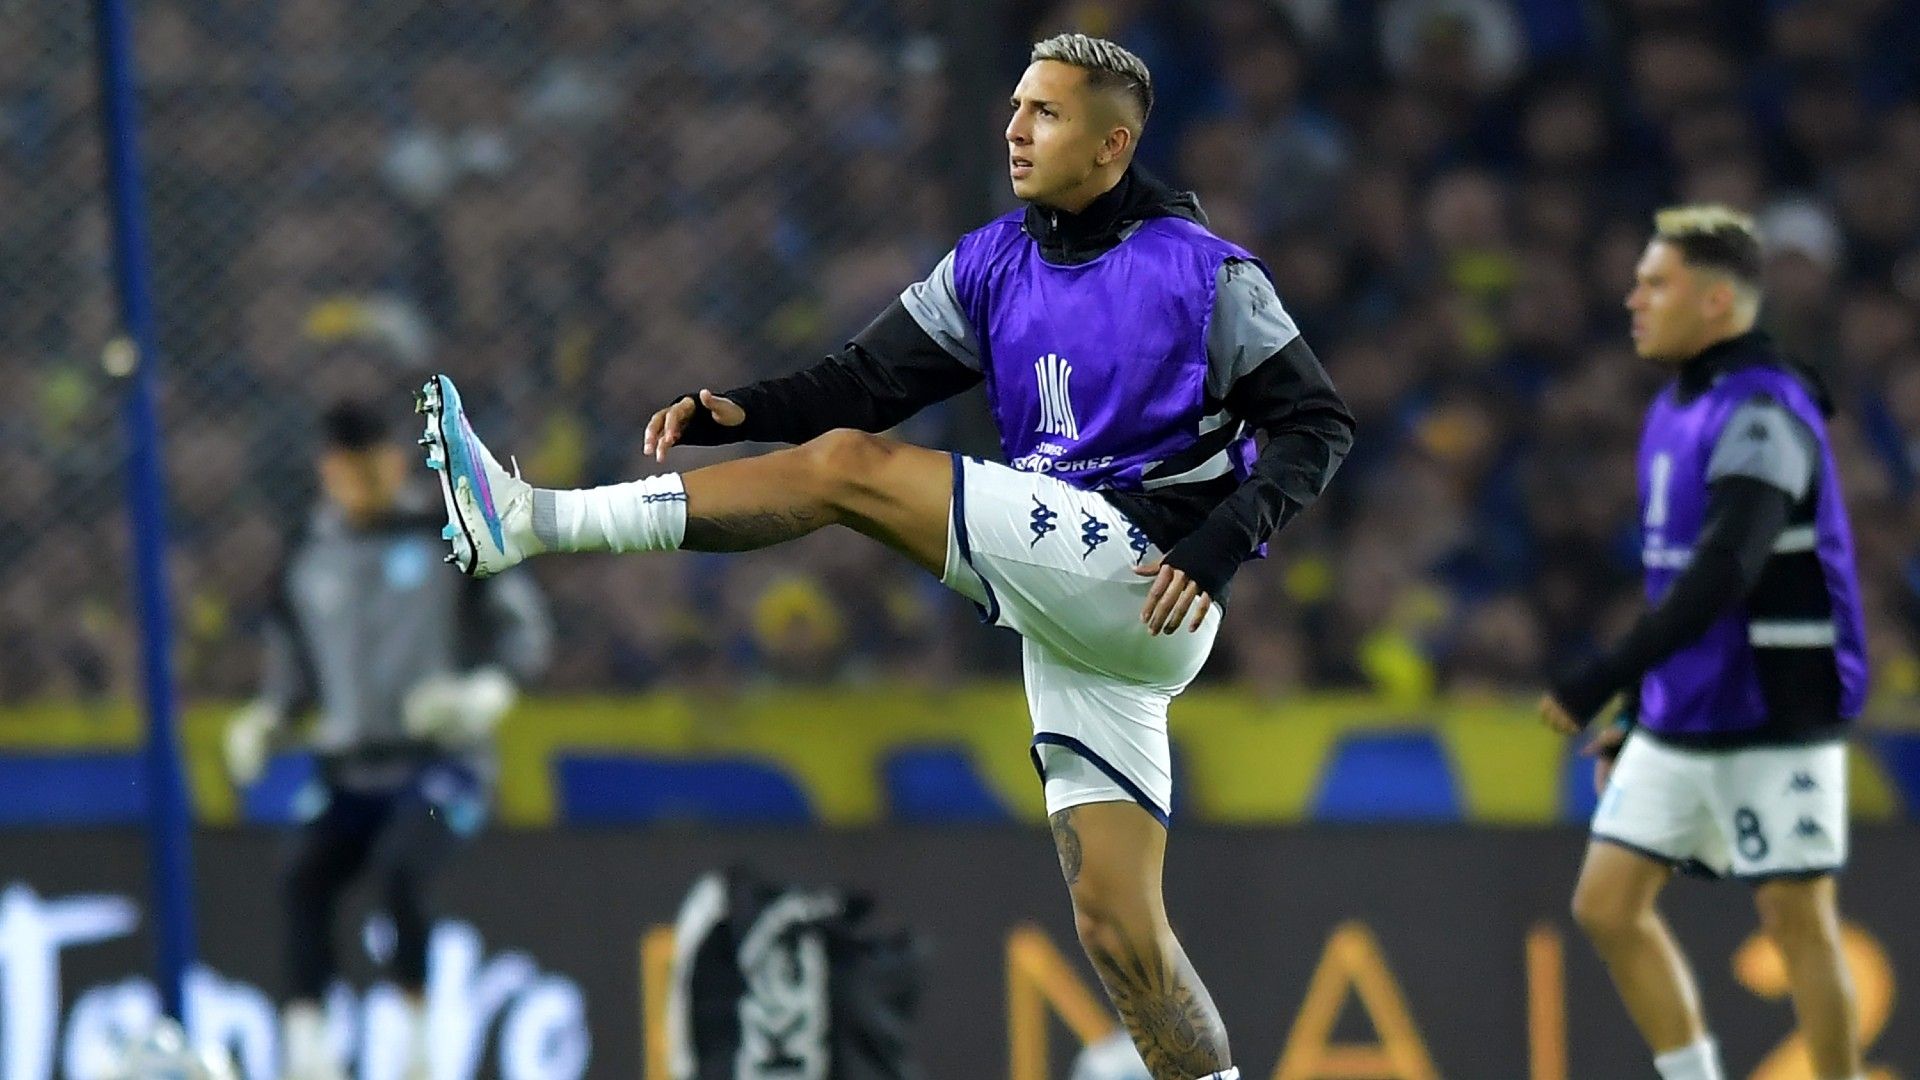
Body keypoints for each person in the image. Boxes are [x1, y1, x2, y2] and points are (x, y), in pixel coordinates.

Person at [417, 33, 1352, 1080]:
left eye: (1045, 113)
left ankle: (535, 522)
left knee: (853, 472)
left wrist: (1226, 542)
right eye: (1014, 107)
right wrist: (743, 411)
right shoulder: (995, 258)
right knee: (1118, 930)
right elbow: (867, 377)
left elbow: (1317, 425)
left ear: (1112, 144)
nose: (1013, 129)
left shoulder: (1205, 274)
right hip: (1083, 612)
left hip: (1146, 570)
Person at [1539, 206, 1869, 1080]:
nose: (1633, 298)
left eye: (1656, 283)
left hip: (1773, 706)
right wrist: (1642, 711)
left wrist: (1599, 678)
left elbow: (1726, 570)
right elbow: (1674, 579)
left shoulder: (1767, 410)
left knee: (1797, 921)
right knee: (1607, 906)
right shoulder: (1680, 406)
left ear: (1718, 300)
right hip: (1686, 708)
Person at [225, 397, 552, 1080]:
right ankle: (309, 1045)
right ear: (327, 471)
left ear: (395, 462)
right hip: (347, 771)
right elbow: (294, 674)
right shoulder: (305, 557)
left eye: (372, 463)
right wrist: (267, 719)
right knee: (302, 878)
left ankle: (419, 1039)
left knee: (402, 870)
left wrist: (484, 692)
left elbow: (521, 629)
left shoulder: (450, 532)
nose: (362, 480)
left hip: (439, 765)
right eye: (347, 467)